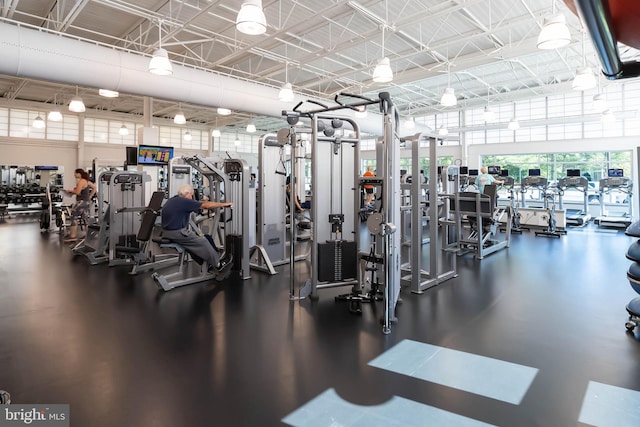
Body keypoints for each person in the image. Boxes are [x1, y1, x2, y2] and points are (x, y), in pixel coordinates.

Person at [161, 184, 233, 274]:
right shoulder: (184, 201)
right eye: (191, 195)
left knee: (207, 237)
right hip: (178, 233)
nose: (191, 197)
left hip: (167, 232)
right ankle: (218, 265)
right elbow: (206, 205)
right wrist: (224, 204)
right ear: (187, 194)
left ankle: (209, 264)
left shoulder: (172, 200)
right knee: (203, 241)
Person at [64, 168, 96, 242]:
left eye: (75, 173)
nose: (74, 175)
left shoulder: (81, 181)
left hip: (81, 202)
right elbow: (94, 188)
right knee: (85, 218)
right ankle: (88, 235)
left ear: (79, 174)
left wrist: (70, 191)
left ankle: (73, 236)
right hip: (86, 202)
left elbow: (78, 192)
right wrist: (90, 196)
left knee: (73, 216)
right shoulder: (87, 181)